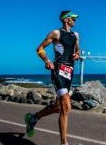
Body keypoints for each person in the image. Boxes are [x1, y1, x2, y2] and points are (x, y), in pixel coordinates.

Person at [25, 10, 80, 145]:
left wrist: (77, 54)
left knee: (58, 107)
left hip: (69, 72)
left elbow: (78, 50)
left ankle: (34, 118)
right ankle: (64, 143)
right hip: (58, 70)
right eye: (73, 18)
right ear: (66, 19)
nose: (75, 20)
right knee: (66, 106)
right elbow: (40, 48)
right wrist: (47, 61)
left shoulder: (76, 35)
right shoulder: (56, 33)